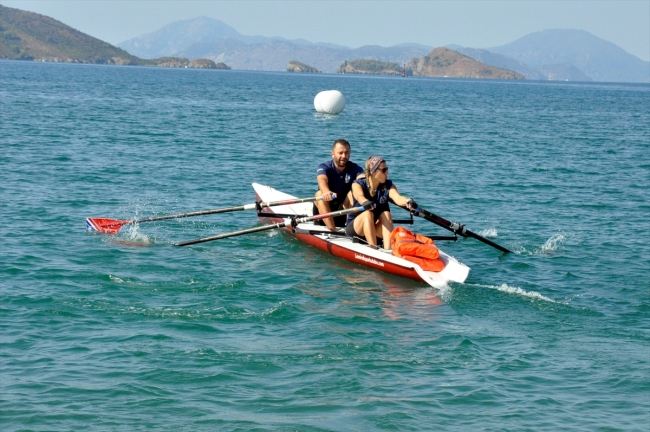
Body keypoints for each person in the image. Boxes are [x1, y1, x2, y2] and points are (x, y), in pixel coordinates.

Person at [345, 156, 418, 250]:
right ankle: (373, 250)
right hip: (356, 230)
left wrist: (408, 201)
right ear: (373, 171)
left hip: (374, 230)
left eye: (386, 169)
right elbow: (359, 197)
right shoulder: (358, 184)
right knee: (368, 213)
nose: (387, 172)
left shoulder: (387, 185)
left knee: (386, 214)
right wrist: (366, 202)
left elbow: (398, 198)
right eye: (383, 170)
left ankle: (388, 251)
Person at [314, 139, 365, 230]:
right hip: (324, 213)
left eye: (346, 153)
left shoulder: (355, 168)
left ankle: (349, 228)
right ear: (332, 154)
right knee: (319, 194)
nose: (344, 156)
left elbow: (363, 178)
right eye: (340, 153)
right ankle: (333, 230)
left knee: (354, 191)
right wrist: (326, 191)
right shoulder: (325, 167)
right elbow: (322, 179)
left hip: (344, 211)